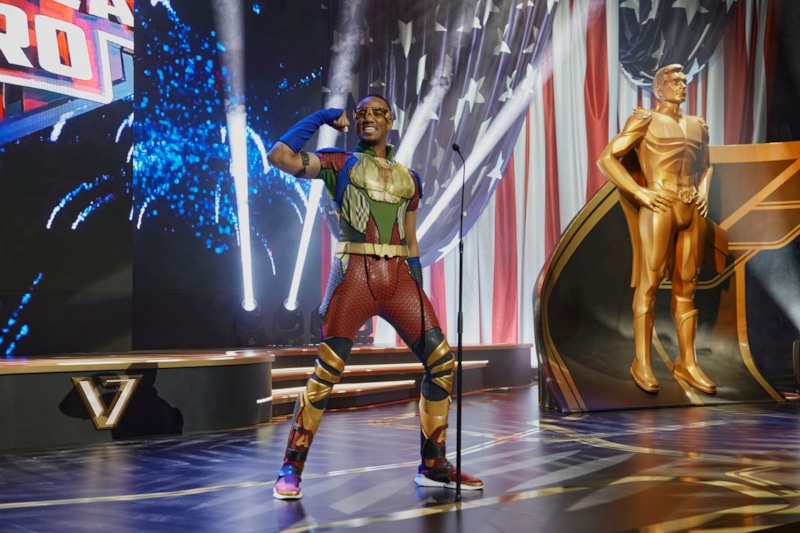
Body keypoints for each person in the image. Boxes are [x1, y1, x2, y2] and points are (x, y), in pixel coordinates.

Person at [266, 94, 484, 499]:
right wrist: (321, 117)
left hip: (400, 279)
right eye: (361, 113)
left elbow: (411, 237)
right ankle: (290, 468)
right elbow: (279, 156)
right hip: (353, 276)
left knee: (441, 362)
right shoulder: (338, 163)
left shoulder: (410, 178)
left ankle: (433, 465)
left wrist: (416, 282)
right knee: (327, 371)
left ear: (390, 121)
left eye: (376, 112)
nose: (368, 117)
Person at [597, 64, 717, 395]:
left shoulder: (697, 126)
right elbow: (607, 159)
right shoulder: (645, 120)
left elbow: (707, 167)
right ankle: (642, 362)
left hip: (692, 209)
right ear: (659, 89)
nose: (681, 85)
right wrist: (640, 192)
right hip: (659, 207)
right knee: (649, 284)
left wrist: (704, 191)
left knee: (687, 286)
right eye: (674, 81)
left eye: (684, 81)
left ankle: (687, 362)